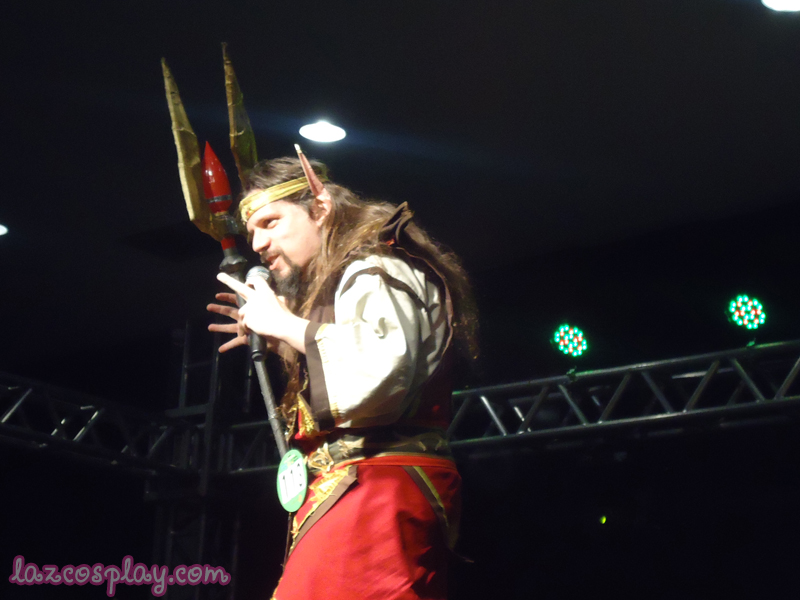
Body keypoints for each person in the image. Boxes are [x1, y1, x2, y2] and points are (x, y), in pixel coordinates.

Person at [208, 147, 478, 600]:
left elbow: (378, 376)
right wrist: (283, 340)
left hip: (378, 487)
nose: (257, 244)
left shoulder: (376, 265)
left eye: (271, 222)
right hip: (354, 487)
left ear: (320, 208)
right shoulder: (347, 276)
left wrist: (287, 325)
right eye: (252, 231)